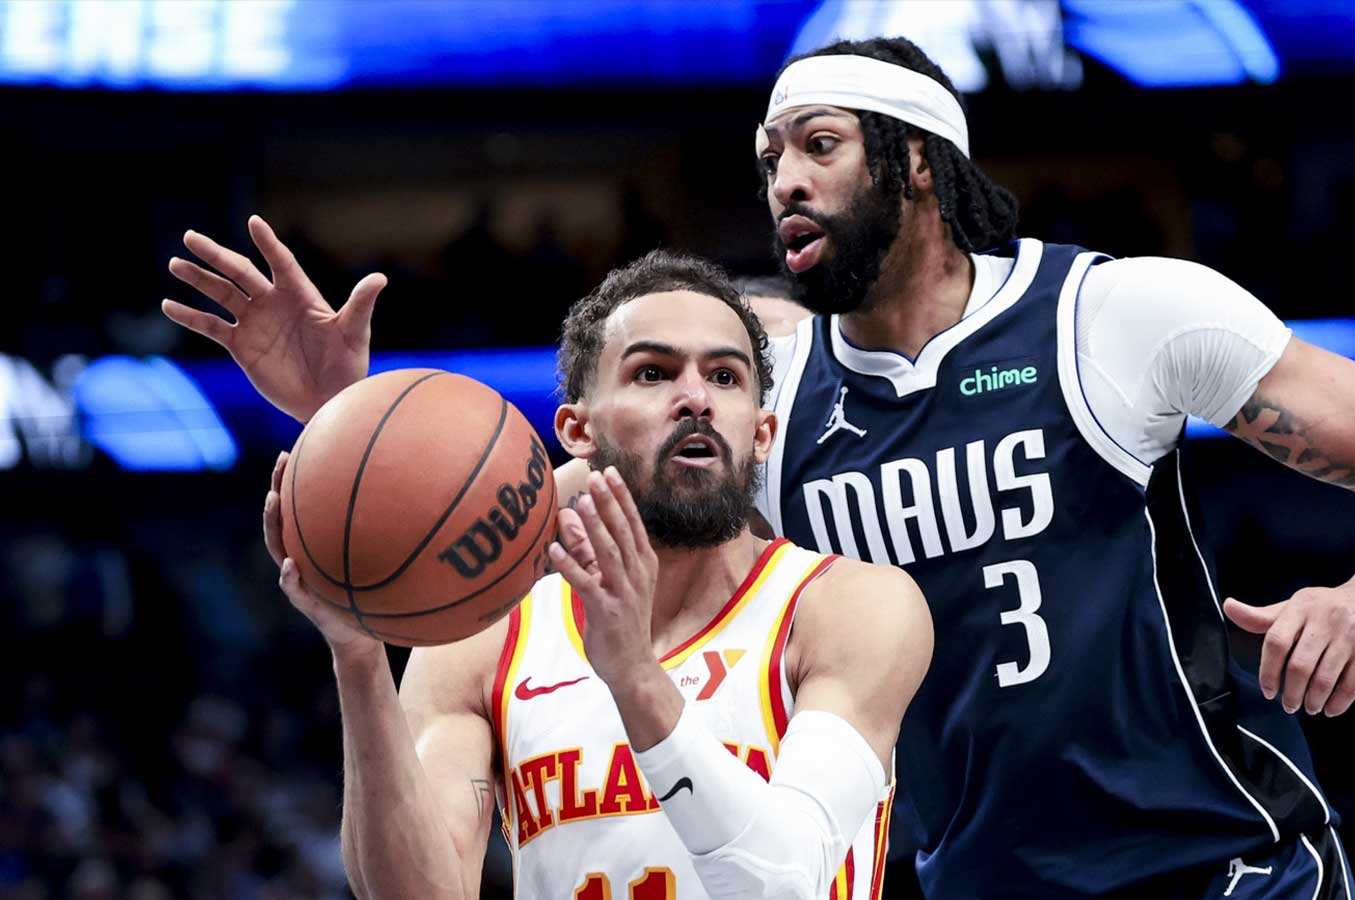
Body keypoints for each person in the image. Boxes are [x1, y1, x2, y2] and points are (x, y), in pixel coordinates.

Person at [162, 33, 1355, 893]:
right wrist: (347, 419)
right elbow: (514, 484)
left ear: (918, 165)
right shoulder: (765, 385)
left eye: (817, 147)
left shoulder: (1117, 315)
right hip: (970, 876)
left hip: (1206, 861)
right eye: (765, 160)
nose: (782, 183)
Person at [246, 250, 932, 899]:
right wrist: (361, 651)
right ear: (577, 429)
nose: (696, 398)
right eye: (653, 373)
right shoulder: (484, 636)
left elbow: (788, 882)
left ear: (761, 430)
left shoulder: (849, 609)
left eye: (725, 377)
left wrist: (634, 676)